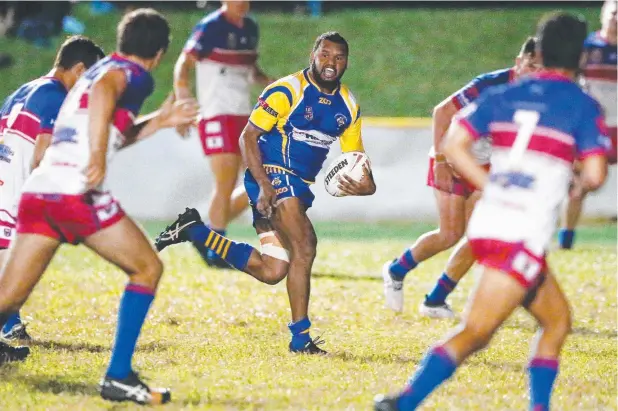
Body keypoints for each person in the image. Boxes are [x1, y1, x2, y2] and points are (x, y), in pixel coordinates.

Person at [374, 12, 609, 411]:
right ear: (581, 57)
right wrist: (572, 177)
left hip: (490, 224)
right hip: (520, 232)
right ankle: (404, 403)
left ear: (541, 49)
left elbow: (453, 141)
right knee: (476, 333)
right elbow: (596, 173)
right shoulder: (582, 103)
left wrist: (491, 186)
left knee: (557, 322)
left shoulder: (505, 93)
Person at [0, 8, 200, 405]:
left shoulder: (93, 71)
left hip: (41, 192)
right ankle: (119, 377)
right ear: (159, 53)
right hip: (75, 192)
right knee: (148, 267)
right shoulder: (130, 74)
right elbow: (109, 95)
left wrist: (160, 119)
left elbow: (113, 131)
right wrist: (97, 158)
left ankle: (119, 377)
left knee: (7, 300)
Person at [156, 31, 376, 354]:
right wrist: (263, 184)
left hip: (298, 187)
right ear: (313, 55)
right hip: (271, 174)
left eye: (338, 57)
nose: (331, 62)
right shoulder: (287, 90)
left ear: (347, 62)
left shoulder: (349, 106)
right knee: (305, 245)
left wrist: (365, 186)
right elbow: (248, 137)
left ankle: (196, 231)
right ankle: (301, 339)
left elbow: (357, 163)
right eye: (325, 55)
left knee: (274, 270)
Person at [381, 37, 540, 317]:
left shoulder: (540, 96)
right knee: (449, 234)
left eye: (542, 68)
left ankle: (435, 300)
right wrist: (441, 158)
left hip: (488, 166)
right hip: (453, 156)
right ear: (519, 62)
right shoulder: (490, 84)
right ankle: (396, 270)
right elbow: (442, 112)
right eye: (532, 65)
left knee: (481, 233)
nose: (536, 73)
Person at [0, 35, 104, 342]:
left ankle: (10, 325)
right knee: (15, 268)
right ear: (80, 69)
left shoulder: (25, 89)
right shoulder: (57, 96)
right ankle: (8, 327)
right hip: (14, 191)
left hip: (4, 180)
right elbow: (43, 153)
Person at [174, 0, 272, 268]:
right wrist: (183, 95)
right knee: (226, 182)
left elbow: (249, 69)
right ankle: (217, 250)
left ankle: (202, 233)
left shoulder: (250, 28)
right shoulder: (211, 27)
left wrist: (271, 85)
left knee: (259, 182)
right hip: (216, 113)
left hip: (244, 115)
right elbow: (184, 62)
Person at [558, 0, 617, 249]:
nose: (617, 19)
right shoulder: (587, 48)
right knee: (580, 185)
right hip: (594, 127)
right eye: (614, 13)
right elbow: (568, 80)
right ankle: (566, 240)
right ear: (604, 15)